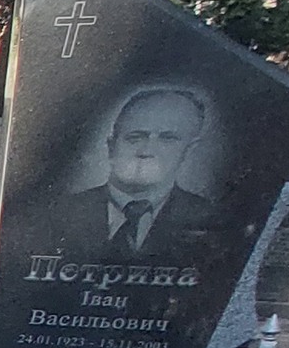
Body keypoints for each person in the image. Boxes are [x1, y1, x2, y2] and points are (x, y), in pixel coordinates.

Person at [12, 87, 228, 265]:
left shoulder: (212, 222)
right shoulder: (56, 215)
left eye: (167, 139)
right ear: (111, 146)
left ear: (188, 150)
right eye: (135, 137)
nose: (146, 151)